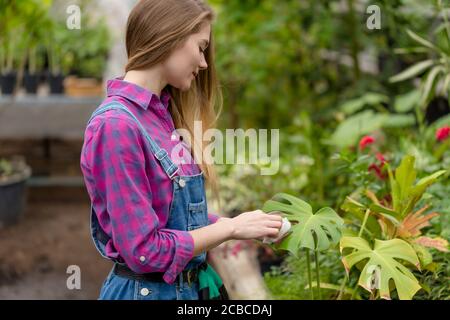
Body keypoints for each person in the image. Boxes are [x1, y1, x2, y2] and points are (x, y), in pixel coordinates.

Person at [80, 0, 283, 300]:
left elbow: (174, 220)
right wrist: (228, 230)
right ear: (171, 36)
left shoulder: (161, 117)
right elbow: (144, 251)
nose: (203, 63)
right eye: (200, 47)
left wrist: (240, 225)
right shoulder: (116, 126)